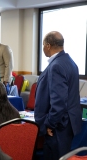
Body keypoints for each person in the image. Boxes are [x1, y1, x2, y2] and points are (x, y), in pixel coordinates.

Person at [34, 31, 82, 160]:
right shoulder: (70, 62)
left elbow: (59, 102)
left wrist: (49, 124)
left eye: (43, 44)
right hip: (67, 124)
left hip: (59, 127)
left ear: (48, 46)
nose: (43, 48)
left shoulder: (56, 66)